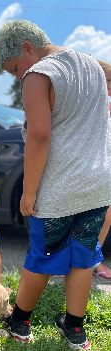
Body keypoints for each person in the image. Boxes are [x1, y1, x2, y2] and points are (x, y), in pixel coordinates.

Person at [0, 20, 111, 350]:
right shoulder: (92, 66)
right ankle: (75, 329)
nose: (18, 77)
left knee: (42, 258)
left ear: (26, 48)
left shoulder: (39, 74)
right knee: (83, 258)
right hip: (98, 184)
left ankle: (19, 321)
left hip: (60, 187)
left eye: (15, 68)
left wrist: (28, 193)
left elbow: (40, 136)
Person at [92, 60, 111, 280]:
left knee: (107, 216)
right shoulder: (87, 101)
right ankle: (61, 261)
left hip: (106, 165)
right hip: (91, 165)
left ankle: (95, 259)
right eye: (106, 80)